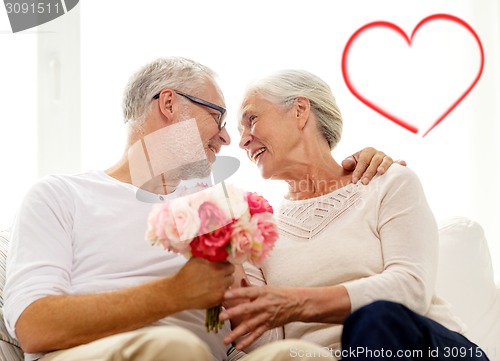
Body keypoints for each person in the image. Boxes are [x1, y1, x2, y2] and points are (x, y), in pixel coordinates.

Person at [3, 57, 396, 361]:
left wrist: (364, 169)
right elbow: (33, 326)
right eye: (218, 116)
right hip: (104, 353)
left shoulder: (221, 206)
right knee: (173, 347)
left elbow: (255, 323)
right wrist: (176, 292)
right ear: (169, 103)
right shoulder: (60, 195)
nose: (228, 137)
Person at [220, 69, 489, 361]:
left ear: (300, 110)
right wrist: (229, 256)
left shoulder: (387, 182)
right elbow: (266, 346)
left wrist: (298, 303)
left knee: (374, 318)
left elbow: (412, 287)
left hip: (431, 350)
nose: (243, 141)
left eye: (252, 119)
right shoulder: (258, 230)